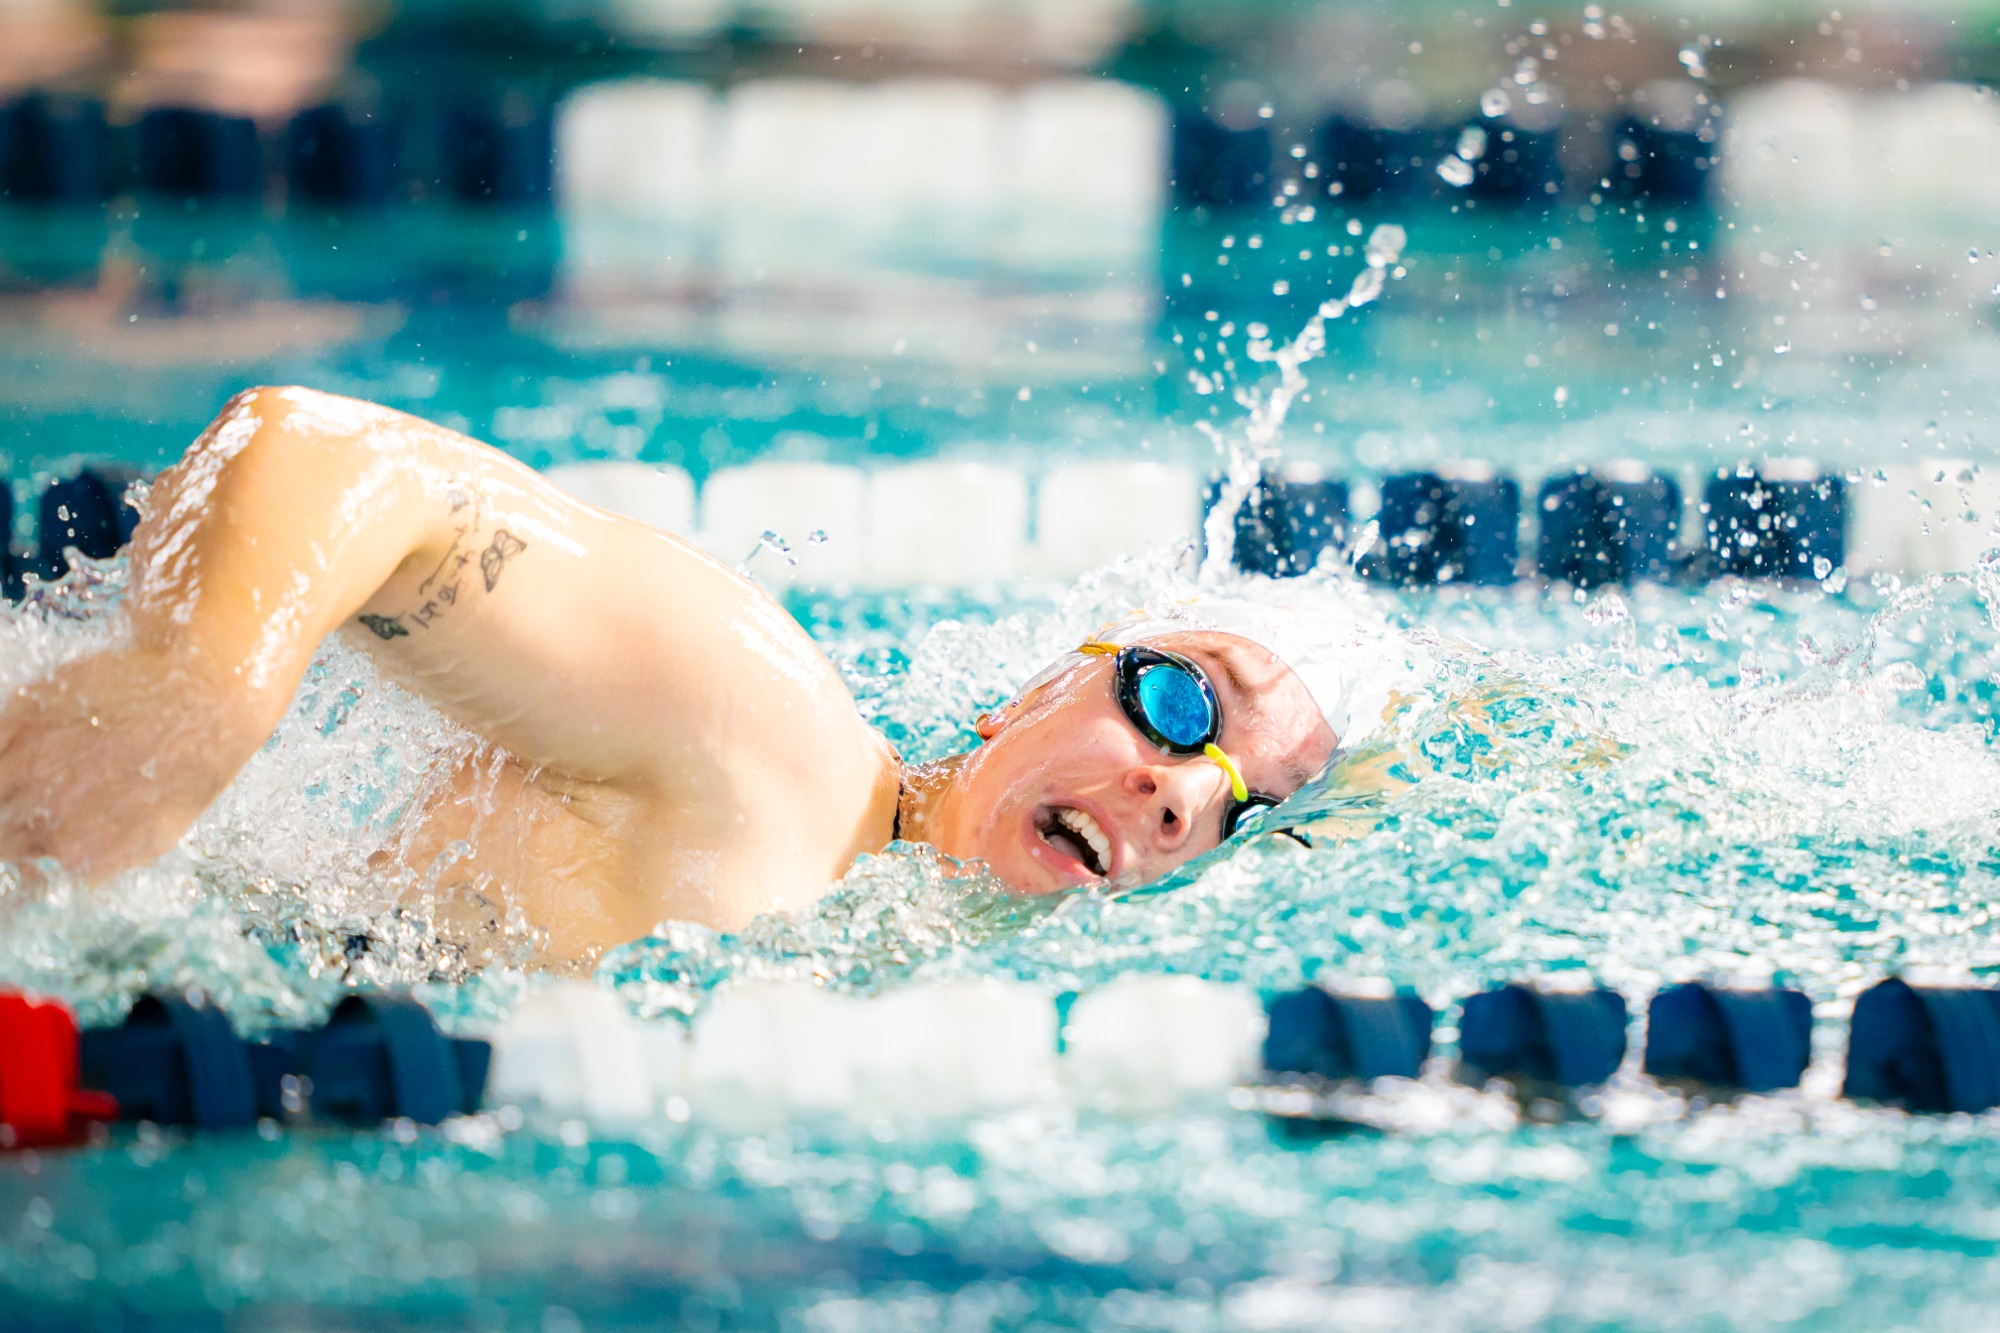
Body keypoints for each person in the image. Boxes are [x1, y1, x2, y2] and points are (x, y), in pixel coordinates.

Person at [0, 387, 1356, 965]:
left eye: (1230, 807)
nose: (1177, 793)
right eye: (1180, 702)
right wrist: (200, 695)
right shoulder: (766, 740)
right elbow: (325, 454)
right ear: (1030, 692)